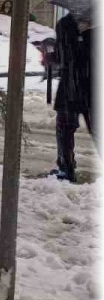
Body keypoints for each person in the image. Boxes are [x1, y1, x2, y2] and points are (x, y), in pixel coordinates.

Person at [52, 11, 94, 182]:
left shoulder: (66, 24)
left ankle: (66, 167)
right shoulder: (66, 25)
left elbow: (61, 57)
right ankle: (65, 167)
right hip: (85, 87)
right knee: (65, 129)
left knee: (64, 130)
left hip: (72, 87)